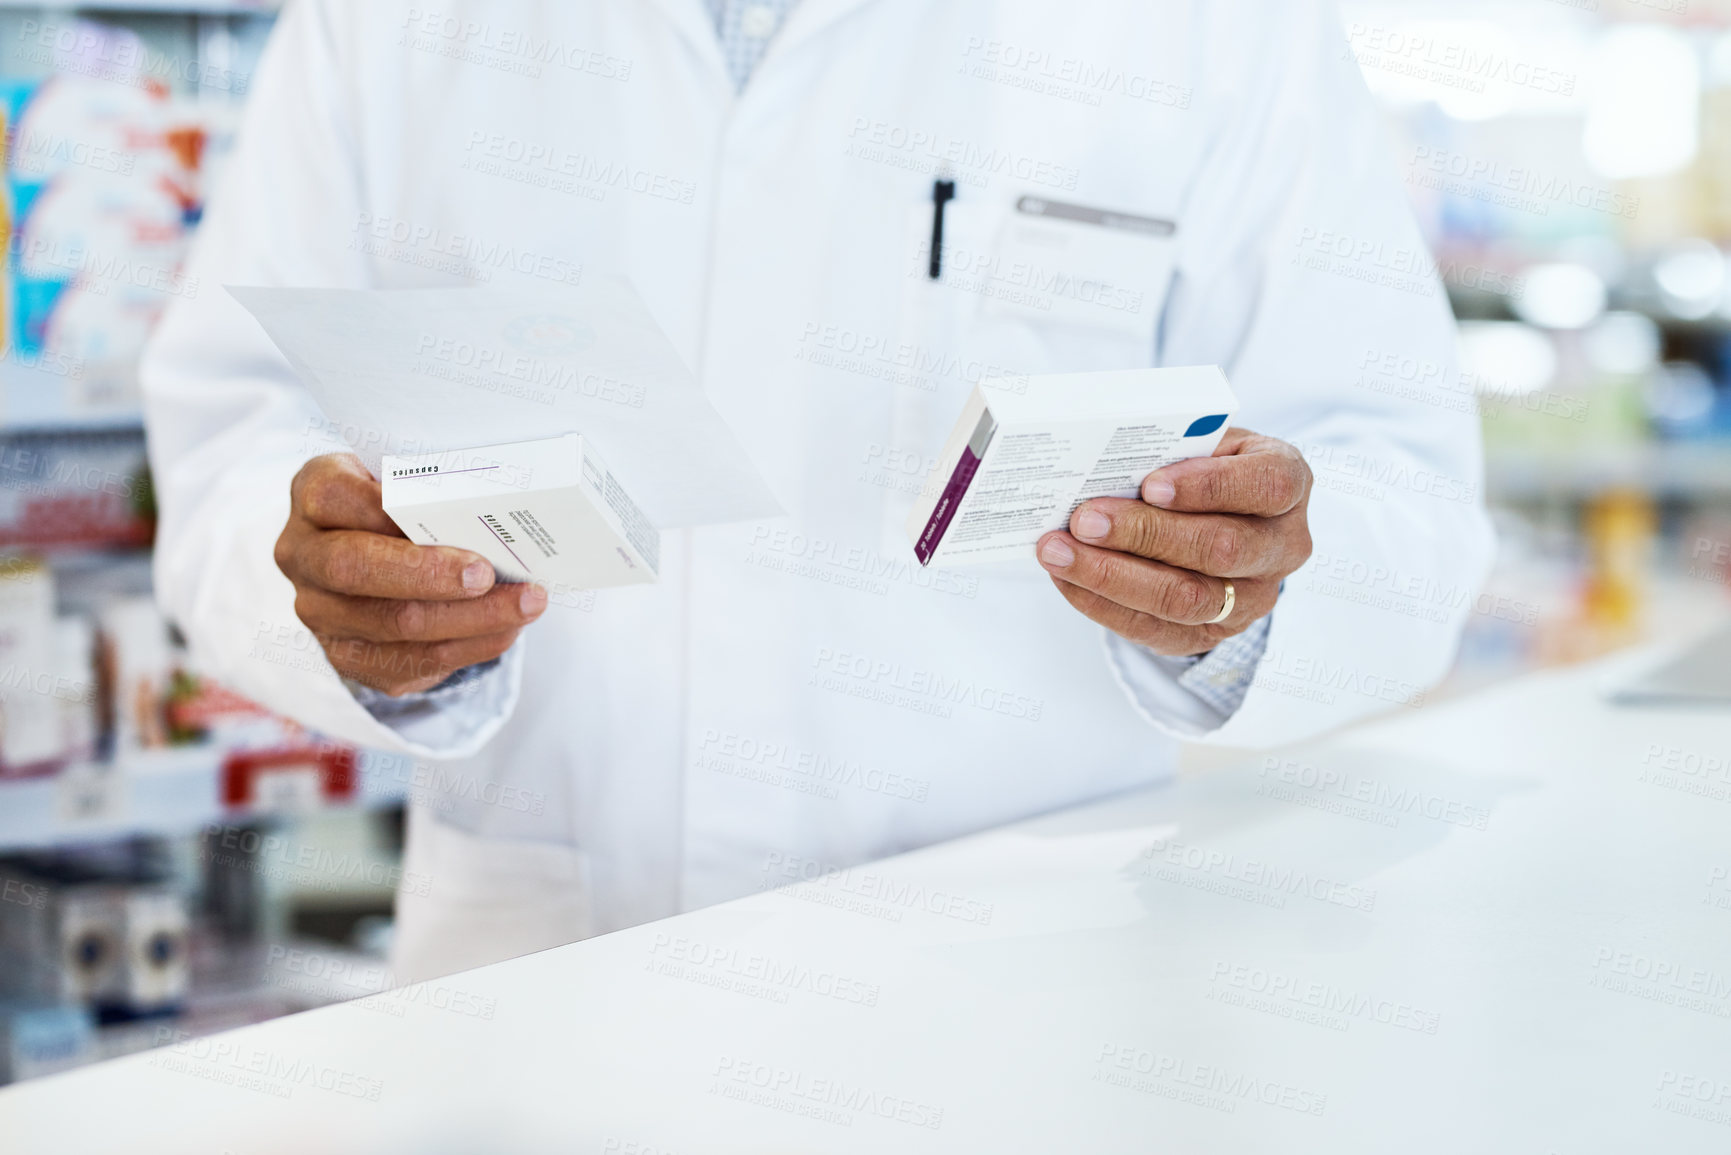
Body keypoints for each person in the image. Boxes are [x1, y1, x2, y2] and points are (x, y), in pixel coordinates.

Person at [142, 0, 1493, 981]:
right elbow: (233, 430)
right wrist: (334, 587)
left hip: (1013, 1015)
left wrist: (1243, 592)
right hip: (541, 985)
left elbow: (1400, 484)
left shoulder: (1214, 30)